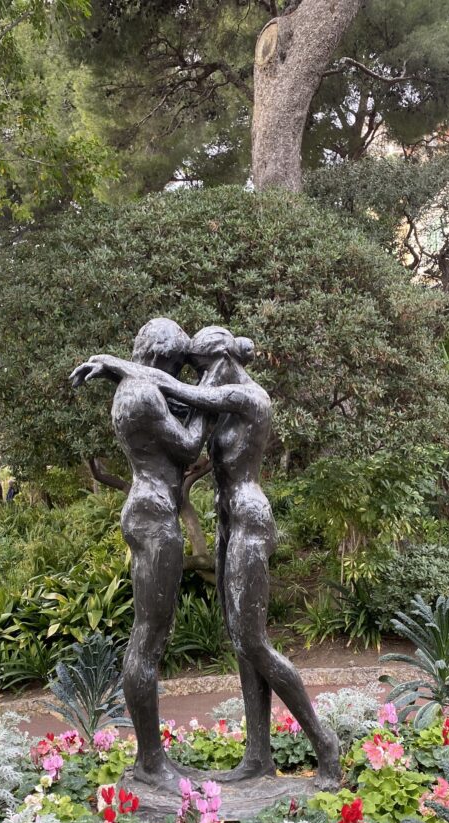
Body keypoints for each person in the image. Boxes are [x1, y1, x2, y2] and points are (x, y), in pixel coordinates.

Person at [74, 327, 341, 787]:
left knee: (254, 642)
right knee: (240, 644)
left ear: (219, 359)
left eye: (199, 368)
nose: (195, 379)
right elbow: (182, 407)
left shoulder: (249, 396)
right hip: (227, 521)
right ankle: (258, 755)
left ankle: (326, 745)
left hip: (250, 519)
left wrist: (117, 365)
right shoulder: (216, 392)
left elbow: (179, 395)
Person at [71, 318, 212, 789]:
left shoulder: (138, 384)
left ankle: (154, 758)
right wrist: (210, 395)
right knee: (148, 637)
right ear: (160, 355)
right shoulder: (142, 394)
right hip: (153, 516)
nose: (178, 371)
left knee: (152, 634)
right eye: (175, 362)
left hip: (152, 511)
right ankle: (151, 762)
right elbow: (191, 447)